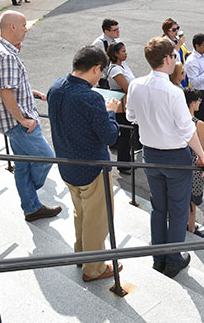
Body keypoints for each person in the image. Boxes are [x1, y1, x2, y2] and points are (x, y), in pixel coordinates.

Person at [126, 37, 204, 279]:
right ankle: (173, 257)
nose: (177, 60)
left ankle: (158, 256)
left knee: (158, 208)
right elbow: (188, 131)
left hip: (150, 154)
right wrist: (203, 157)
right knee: (178, 209)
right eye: (174, 56)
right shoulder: (174, 92)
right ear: (167, 59)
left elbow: (131, 116)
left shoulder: (136, 85)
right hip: (175, 157)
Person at [47, 46, 121, 282]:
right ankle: (94, 267)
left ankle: (82, 253)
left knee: (81, 213)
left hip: (67, 164)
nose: (100, 77)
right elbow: (110, 137)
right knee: (96, 219)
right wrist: (111, 112)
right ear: (96, 68)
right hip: (92, 167)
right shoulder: (90, 97)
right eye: (101, 72)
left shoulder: (56, 87)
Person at [0, 11, 61, 222]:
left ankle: (31, 208)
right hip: (21, 124)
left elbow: (10, 85)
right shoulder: (7, 56)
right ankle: (30, 194)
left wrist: (31, 92)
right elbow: (6, 91)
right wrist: (22, 119)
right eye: (22, 25)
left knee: (22, 165)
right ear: (12, 27)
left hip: (11, 121)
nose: (26, 28)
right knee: (46, 158)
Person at [184, 87, 204, 238]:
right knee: (192, 201)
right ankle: (191, 228)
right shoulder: (198, 124)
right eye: (198, 100)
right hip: (195, 165)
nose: (200, 103)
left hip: (179, 162)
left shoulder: (176, 119)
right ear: (192, 103)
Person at [106, 42, 136, 174]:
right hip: (120, 106)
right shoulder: (115, 70)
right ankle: (123, 164)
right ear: (116, 54)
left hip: (127, 104)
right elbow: (127, 87)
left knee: (128, 134)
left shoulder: (123, 65)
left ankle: (127, 159)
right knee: (125, 135)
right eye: (123, 51)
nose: (126, 53)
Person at [162, 18, 189, 87]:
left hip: (183, 71)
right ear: (168, 31)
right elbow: (171, 56)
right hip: (175, 73)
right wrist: (179, 44)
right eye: (174, 30)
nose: (177, 31)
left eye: (177, 28)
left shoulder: (177, 38)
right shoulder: (165, 42)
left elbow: (182, 51)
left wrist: (187, 53)